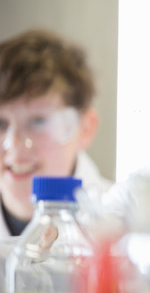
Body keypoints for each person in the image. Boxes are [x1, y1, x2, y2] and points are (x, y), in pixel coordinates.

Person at [0, 29, 112, 238]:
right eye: (1, 123)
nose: (13, 144)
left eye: (38, 121)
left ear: (85, 128)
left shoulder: (118, 228)